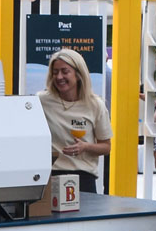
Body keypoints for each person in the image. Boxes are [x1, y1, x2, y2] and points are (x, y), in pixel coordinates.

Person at [38, 48, 113, 193]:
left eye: (65, 71)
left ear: (78, 74)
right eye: (55, 72)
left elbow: (106, 147)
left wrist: (85, 147)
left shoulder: (95, 105)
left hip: (83, 178)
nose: (59, 77)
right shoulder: (42, 101)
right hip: (50, 176)